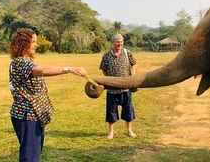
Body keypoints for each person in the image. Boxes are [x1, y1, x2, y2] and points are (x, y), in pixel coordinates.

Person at [9, 28, 87, 162]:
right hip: (27, 115)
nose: (36, 44)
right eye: (33, 42)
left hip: (32, 114)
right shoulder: (20, 62)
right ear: (23, 44)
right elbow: (42, 70)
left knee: (34, 153)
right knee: (30, 157)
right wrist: (69, 69)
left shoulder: (24, 61)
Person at [100, 33, 137, 139]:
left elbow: (133, 64)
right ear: (113, 43)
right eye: (117, 42)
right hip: (112, 89)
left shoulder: (127, 53)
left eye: (121, 42)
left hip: (126, 88)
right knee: (111, 111)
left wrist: (132, 77)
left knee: (128, 110)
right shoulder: (106, 55)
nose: (119, 44)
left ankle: (129, 130)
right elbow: (103, 68)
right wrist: (109, 79)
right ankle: (111, 132)